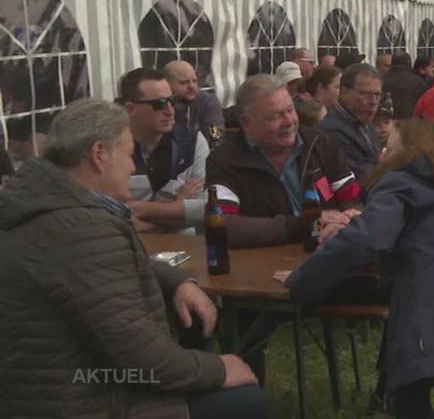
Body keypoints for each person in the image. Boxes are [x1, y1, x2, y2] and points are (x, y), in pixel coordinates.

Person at [0, 98, 267, 419]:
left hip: (43, 389)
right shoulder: (83, 229)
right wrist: (219, 369)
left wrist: (176, 280)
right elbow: (143, 359)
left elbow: (93, 273)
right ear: (99, 155)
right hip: (88, 397)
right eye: (127, 155)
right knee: (246, 399)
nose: (131, 167)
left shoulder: (41, 205)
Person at [277, 118, 434, 418]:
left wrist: (300, 279)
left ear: (409, 151)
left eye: (391, 145)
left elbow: (366, 240)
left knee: (409, 394)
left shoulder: (400, 180)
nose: (383, 152)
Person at [205, 74, 363, 383]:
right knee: (242, 328)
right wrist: (302, 226)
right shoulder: (225, 158)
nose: (289, 121)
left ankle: (388, 393)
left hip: (327, 264)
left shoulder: (319, 143)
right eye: (275, 116)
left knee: (402, 288)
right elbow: (224, 226)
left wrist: (347, 218)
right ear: (247, 122)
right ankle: (250, 397)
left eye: (289, 110)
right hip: (262, 277)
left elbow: (355, 201)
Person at [118, 68, 209, 235]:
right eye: (158, 104)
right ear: (130, 109)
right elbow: (112, 217)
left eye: (172, 101)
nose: (170, 111)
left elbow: (207, 210)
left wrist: (142, 208)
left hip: (186, 251)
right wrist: (176, 210)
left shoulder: (193, 141)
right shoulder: (112, 148)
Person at [319, 63, 384, 182]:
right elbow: (361, 176)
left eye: (377, 94)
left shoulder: (364, 122)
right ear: (344, 93)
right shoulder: (331, 132)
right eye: (365, 94)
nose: (373, 102)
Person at [165, 60, 225, 147]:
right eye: (184, 82)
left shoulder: (207, 102)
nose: (192, 86)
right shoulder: (162, 104)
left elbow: (215, 134)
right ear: (167, 84)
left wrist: (214, 141)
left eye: (194, 81)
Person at [382, 51, 429, 119]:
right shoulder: (418, 82)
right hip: (410, 125)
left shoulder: (381, 81)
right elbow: (427, 105)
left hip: (388, 124)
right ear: (409, 63)